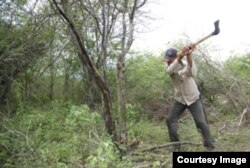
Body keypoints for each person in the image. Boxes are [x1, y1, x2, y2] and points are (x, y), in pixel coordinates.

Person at [162, 44, 215, 151]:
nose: (167, 61)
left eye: (169, 59)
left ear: (174, 58)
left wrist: (189, 55)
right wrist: (180, 57)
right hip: (180, 99)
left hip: (193, 97)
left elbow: (193, 73)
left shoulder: (185, 63)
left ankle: (210, 146)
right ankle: (175, 146)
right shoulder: (169, 65)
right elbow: (169, 70)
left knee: (200, 122)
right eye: (167, 59)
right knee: (170, 120)